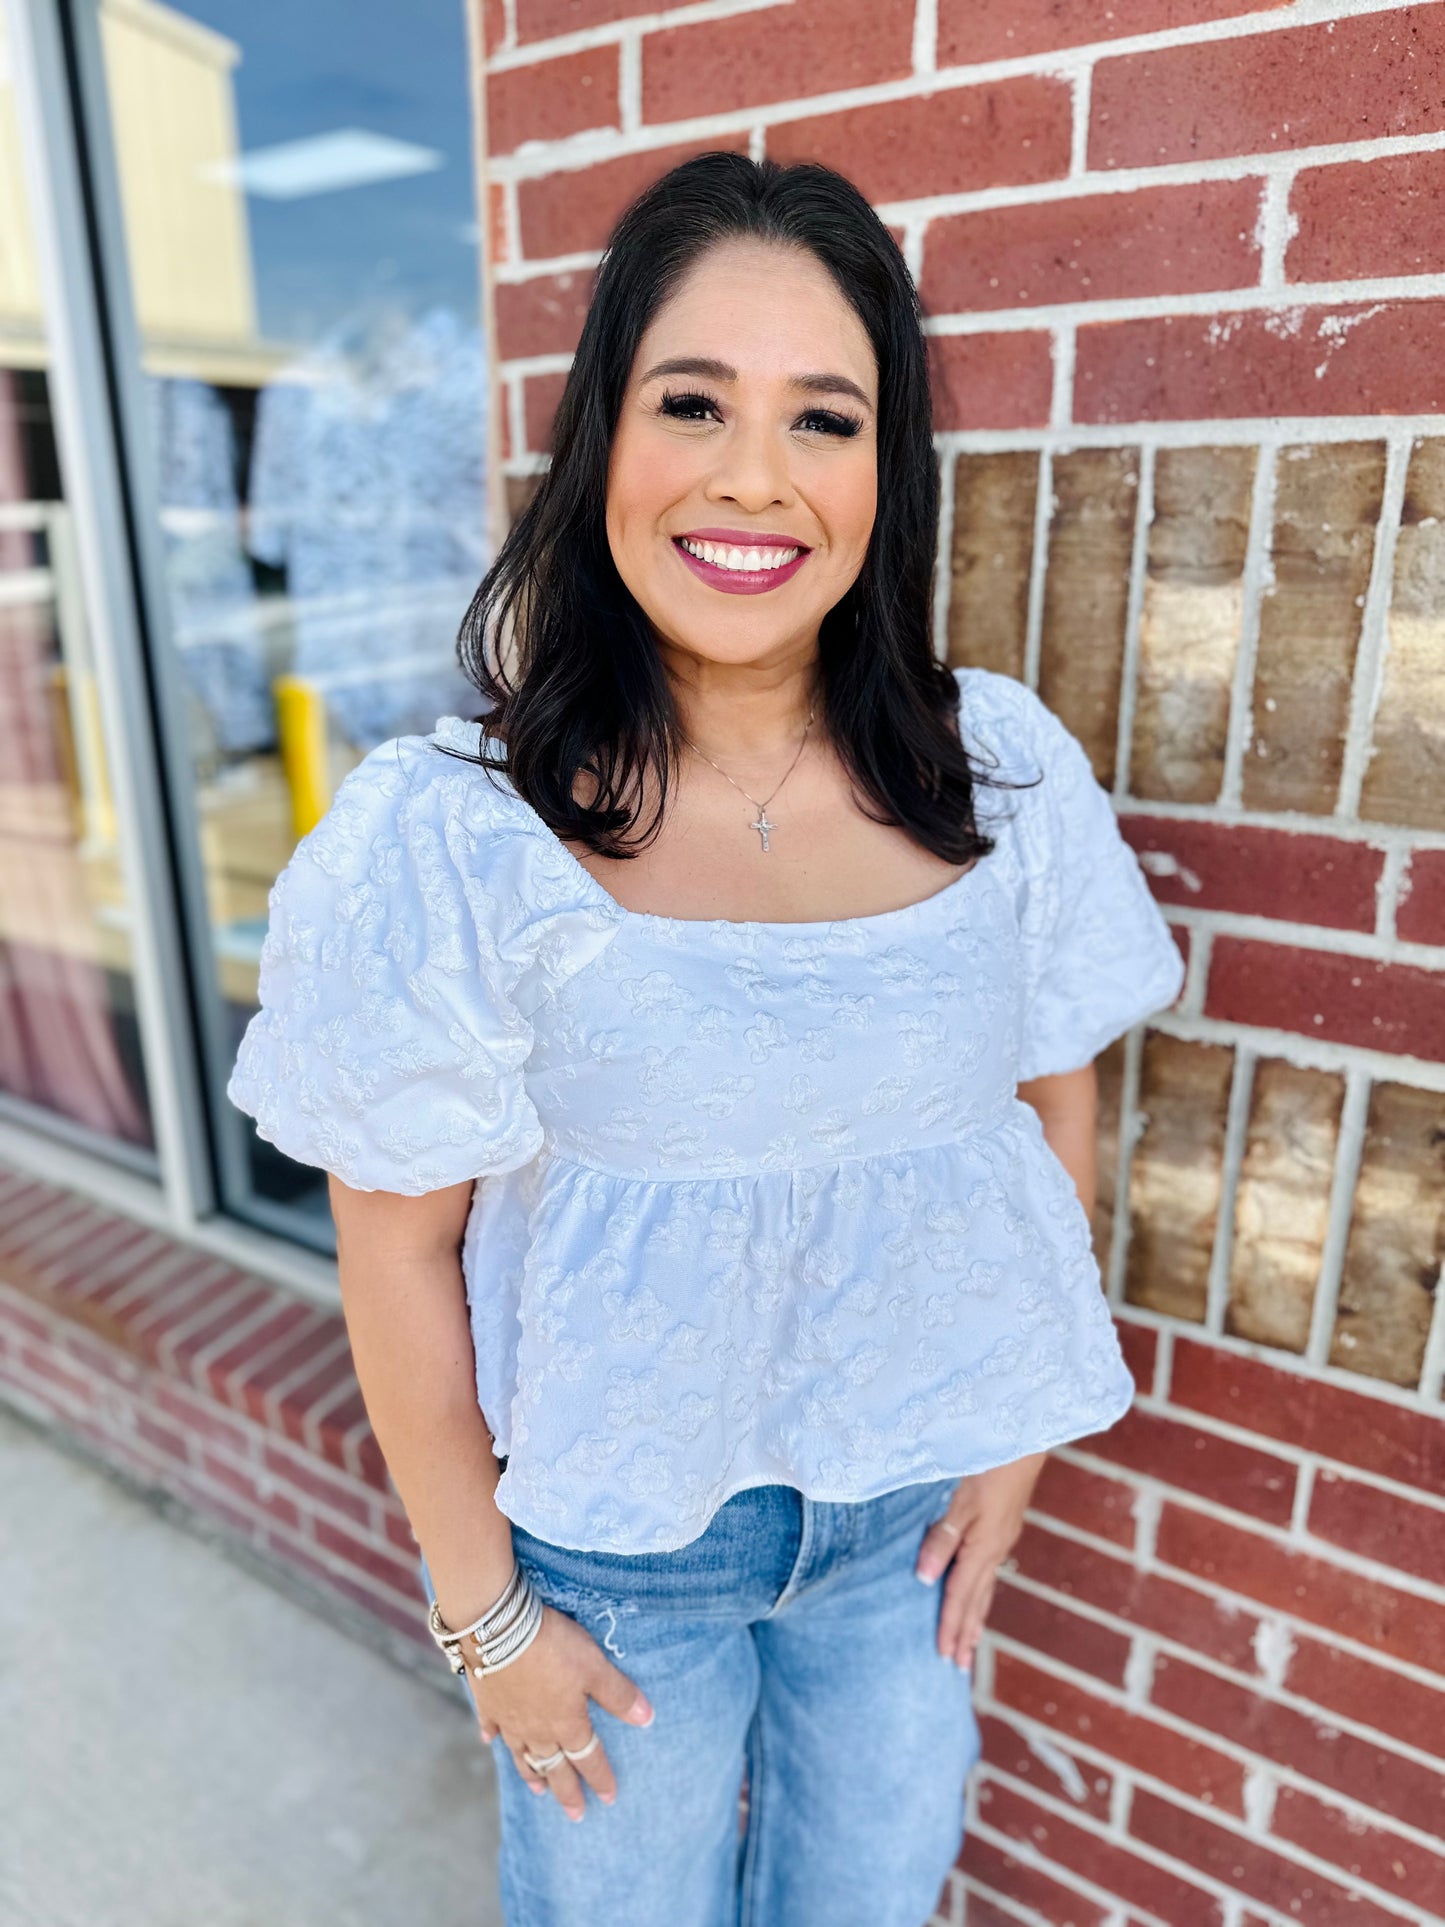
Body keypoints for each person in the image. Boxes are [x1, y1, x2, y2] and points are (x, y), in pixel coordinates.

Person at [227, 151, 1184, 1927]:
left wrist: (1014, 1434)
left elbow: (1048, 1096)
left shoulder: (1000, 772)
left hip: (900, 1524)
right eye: (693, 402)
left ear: (883, 469)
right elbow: (397, 1243)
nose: (756, 476)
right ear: (606, 435)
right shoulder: (450, 831)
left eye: (824, 419)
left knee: (873, 1899)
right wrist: (485, 1616)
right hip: (616, 1557)